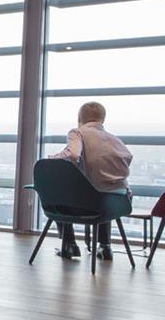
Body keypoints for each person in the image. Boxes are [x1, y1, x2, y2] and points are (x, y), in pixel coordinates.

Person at [49, 101, 132, 261]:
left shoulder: (78, 133)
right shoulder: (115, 139)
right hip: (120, 202)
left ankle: (69, 244)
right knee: (103, 191)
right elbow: (127, 159)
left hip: (90, 204)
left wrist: (52, 158)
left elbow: (73, 154)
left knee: (57, 196)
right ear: (103, 119)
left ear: (79, 118)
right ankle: (105, 247)